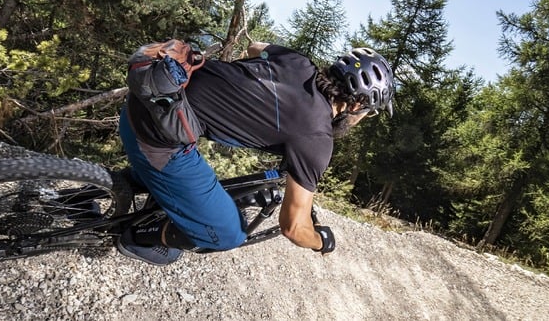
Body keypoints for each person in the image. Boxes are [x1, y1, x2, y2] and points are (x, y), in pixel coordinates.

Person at [117, 42, 394, 265]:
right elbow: (294, 228)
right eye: (369, 112)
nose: (364, 117)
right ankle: (136, 237)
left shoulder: (298, 61)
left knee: (180, 180)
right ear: (356, 105)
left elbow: (254, 47)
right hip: (154, 138)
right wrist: (321, 241)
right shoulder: (316, 137)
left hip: (146, 98)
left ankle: (104, 191)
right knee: (229, 233)